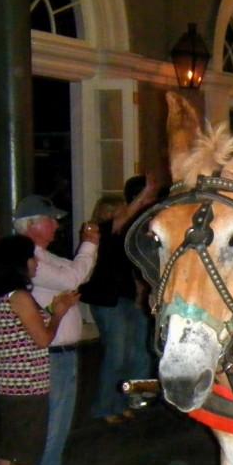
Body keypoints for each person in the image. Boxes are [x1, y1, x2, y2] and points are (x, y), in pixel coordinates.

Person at [0, 235, 79, 465]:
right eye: (32, 258)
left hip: (7, 382)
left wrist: (50, 311)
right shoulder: (20, 297)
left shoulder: (2, 296)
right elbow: (43, 338)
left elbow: (25, 327)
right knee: (25, 449)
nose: (36, 263)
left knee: (9, 444)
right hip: (27, 384)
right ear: (19, 263)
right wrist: (59, 313)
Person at [13, 195, 98, 465]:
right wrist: (89, 244)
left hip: (63, 352)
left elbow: (77, 273)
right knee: (46, 423)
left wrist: (87, 251)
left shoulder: (46, 256)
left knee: (60, 422)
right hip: (47, 353)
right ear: (34, 225)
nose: (57, 225)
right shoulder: (29, 260)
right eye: (51, 220)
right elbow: (72, 277)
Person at [80, 177, 159, 423]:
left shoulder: (129, 235)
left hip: (127, 297)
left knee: (142, 353)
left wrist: (140, 294)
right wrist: (145, 193)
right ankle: (106, 407)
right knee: (117, 354)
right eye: (113, 211)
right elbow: (124, 218)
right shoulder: (101, 232)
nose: (120, 215)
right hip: (107, 300)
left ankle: (134, 399)